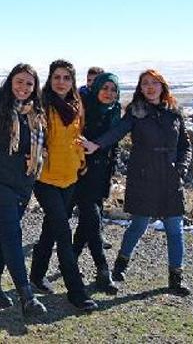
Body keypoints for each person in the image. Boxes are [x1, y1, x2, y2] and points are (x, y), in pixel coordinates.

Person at [83, 69, 192, 296]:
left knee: (175, 229)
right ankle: (121, 265)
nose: (150, 87)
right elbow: (117, 132)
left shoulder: (175, 112)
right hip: (143, 177)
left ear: (163, 86)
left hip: (170, 178)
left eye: (154, 83)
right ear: (140, 88)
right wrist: (96, 145)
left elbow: (185, 146)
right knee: (138, 225)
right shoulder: (136, 111)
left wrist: (180, 169)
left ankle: (176, 278)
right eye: (145, 84)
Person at [0, 63, 47, 316]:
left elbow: (37, 146)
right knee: (13, 235)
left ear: (35, 87)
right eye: (19, 81)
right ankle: (26, 295)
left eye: (29, 83)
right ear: (10, 82)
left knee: (3, 235)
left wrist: (36, 156)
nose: (23, 88)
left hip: (23, 183)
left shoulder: (34, 113)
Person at [28, 60, 98, 312]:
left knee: (51, 227)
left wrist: (81, 160)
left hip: (70, 176)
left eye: (66, 78)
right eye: (56, 77)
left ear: (72, 80)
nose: (61, 82)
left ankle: (36, 274)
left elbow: (75, 137)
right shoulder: (42, 104)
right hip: (45, 179)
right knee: (63, 232)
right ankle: (76, 292)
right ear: (49, 79)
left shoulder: (76, 105)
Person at [70, 72, 121, 294]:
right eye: (105, 88)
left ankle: (69, 260)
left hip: (102, 175)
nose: (109, 93)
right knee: (93, 219)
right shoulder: (83, 109)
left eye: (113, 90)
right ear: (96, 88)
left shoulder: (116, 112)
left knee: (87, 224)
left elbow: (114, 145)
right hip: (83, 173)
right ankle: (103, 270)